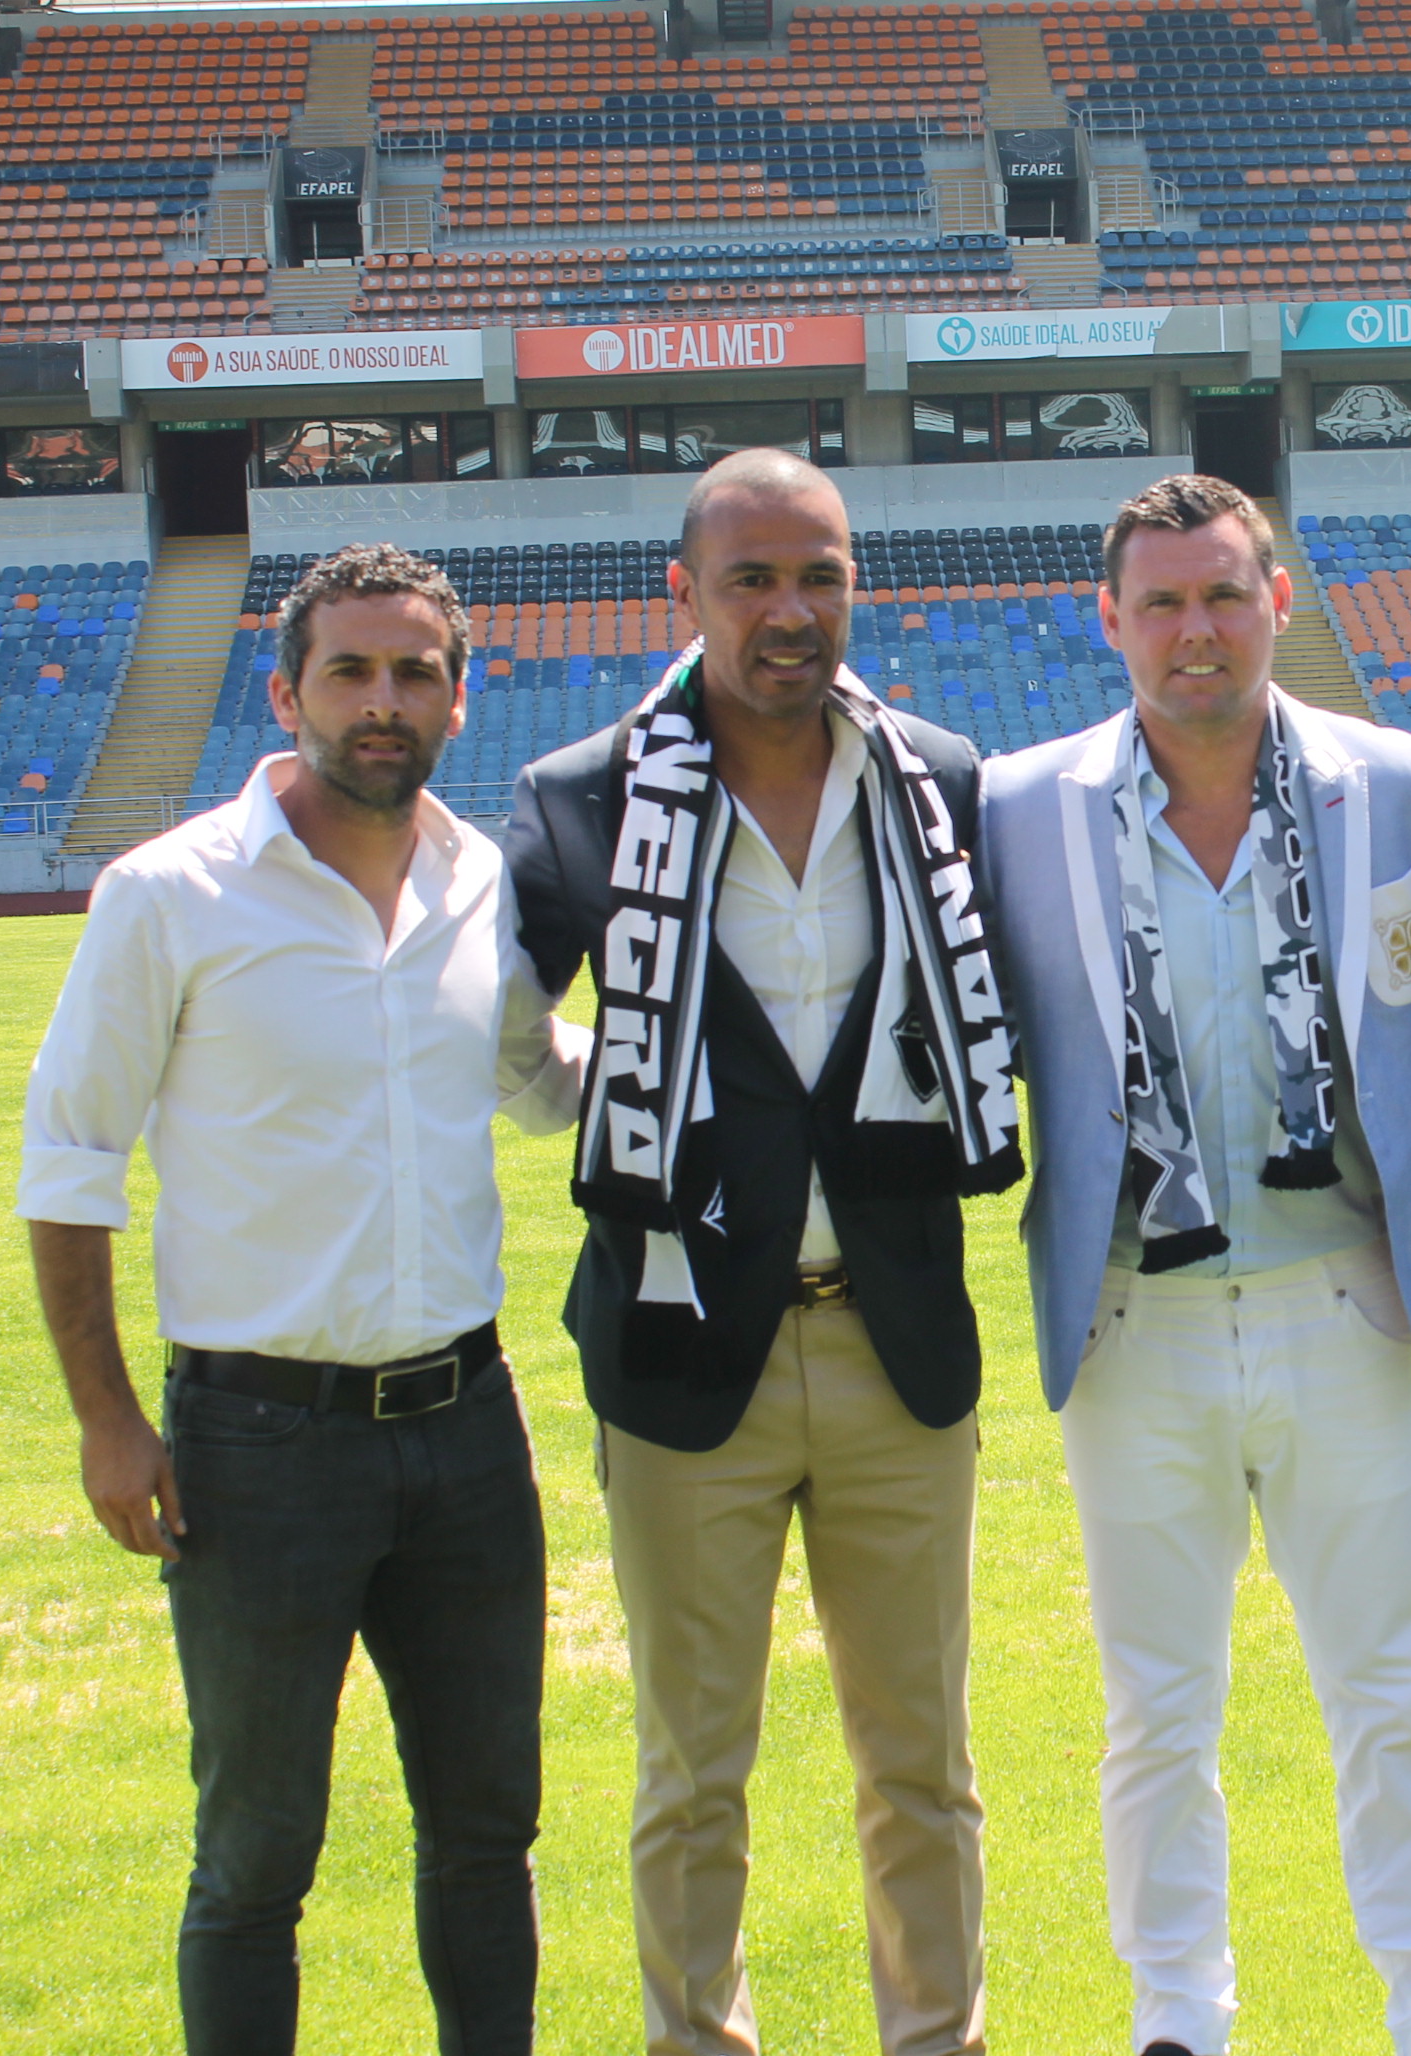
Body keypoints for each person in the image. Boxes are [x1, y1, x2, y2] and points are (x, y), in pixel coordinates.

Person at [977, 473, 1411, 2056]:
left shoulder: (1398, 782)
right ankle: (1179, 2020)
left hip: (1342, 1298)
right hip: (1132, 1317)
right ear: (1109, 620)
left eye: (1225, 594)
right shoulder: (1021, 806)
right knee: (1156, 1712)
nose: (1194, 630)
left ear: (1279, 602)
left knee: (1392, 1700)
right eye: (1159, 602)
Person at [18, 542, 587, 2056]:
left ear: (460, 700)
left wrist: (720, 1055)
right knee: (258, 1854)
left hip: (468, 1434)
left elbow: (541, 1082)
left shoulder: (482, 886)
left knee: (487, 1831)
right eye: (351, 669)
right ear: (287, 691)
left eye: (414, 671)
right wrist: (108, 1421)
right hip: (258, 1445)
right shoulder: (171, 893)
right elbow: (69, 1156)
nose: (382, 700)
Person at [504, 449, 1021, 2056]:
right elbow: (496, 1033)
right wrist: (637, 1104)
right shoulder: (583, 800)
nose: (790, 613)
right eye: (752, 579)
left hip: (894, 1343)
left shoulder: (939, 776)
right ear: (686, 591)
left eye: (821, 575)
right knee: (690, 1769)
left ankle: (937, 2039)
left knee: (921, 1763)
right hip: (675, 1349)